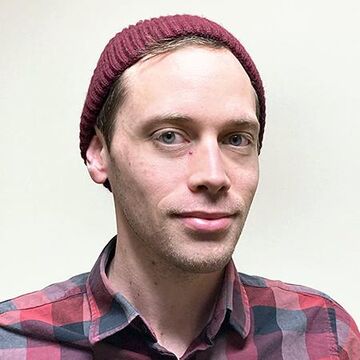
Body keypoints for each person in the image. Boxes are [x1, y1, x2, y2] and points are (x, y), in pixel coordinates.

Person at [0, 14, 359, 360]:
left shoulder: (324, 337)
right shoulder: (11, 344)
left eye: (236, 139)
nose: (214, 175)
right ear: (99, 153)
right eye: (169, 136)